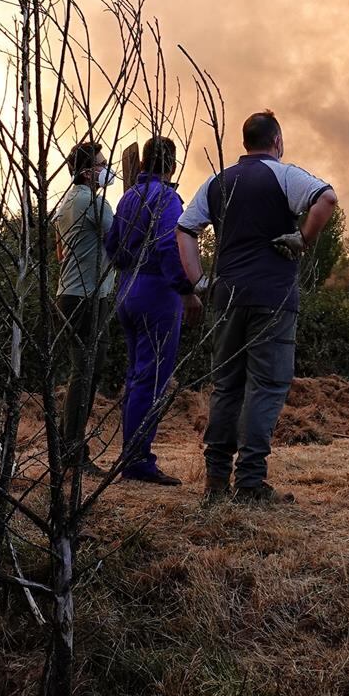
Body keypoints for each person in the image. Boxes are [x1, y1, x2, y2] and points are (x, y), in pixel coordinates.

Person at [176, 110, 337, 504]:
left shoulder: (217, 182)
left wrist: (199, 281)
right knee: (266, 386)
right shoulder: (283, 175)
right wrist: (302, 238)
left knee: (227, 385)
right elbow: (327, 198)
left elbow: (184, 230)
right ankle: (249, 482)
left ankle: (215, 481)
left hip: (227, 296)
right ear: (277, 141)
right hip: (273, 299)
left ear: (244, 142)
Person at [104, 136, 201, 485]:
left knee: (136, 376)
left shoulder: (128, 196)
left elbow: (111, 244)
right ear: (172, 165)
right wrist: (186, 290)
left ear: (143, 164)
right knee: (153, 379)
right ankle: (137, 461)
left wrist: (128, 267)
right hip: (157, 292)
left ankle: (131, 455)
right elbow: (169, 245)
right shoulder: (167, 198)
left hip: (126, 289)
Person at [53, 140, 116, 470]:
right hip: (88, 298)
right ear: (89, 171)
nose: (107, 170)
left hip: (68, 294)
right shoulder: (95, 203)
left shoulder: (65, 203)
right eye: (102, 164)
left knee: (83, 372)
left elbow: (60, 253)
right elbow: (122, 242)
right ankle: (73, 452)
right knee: (86, 373)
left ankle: (69, 447)